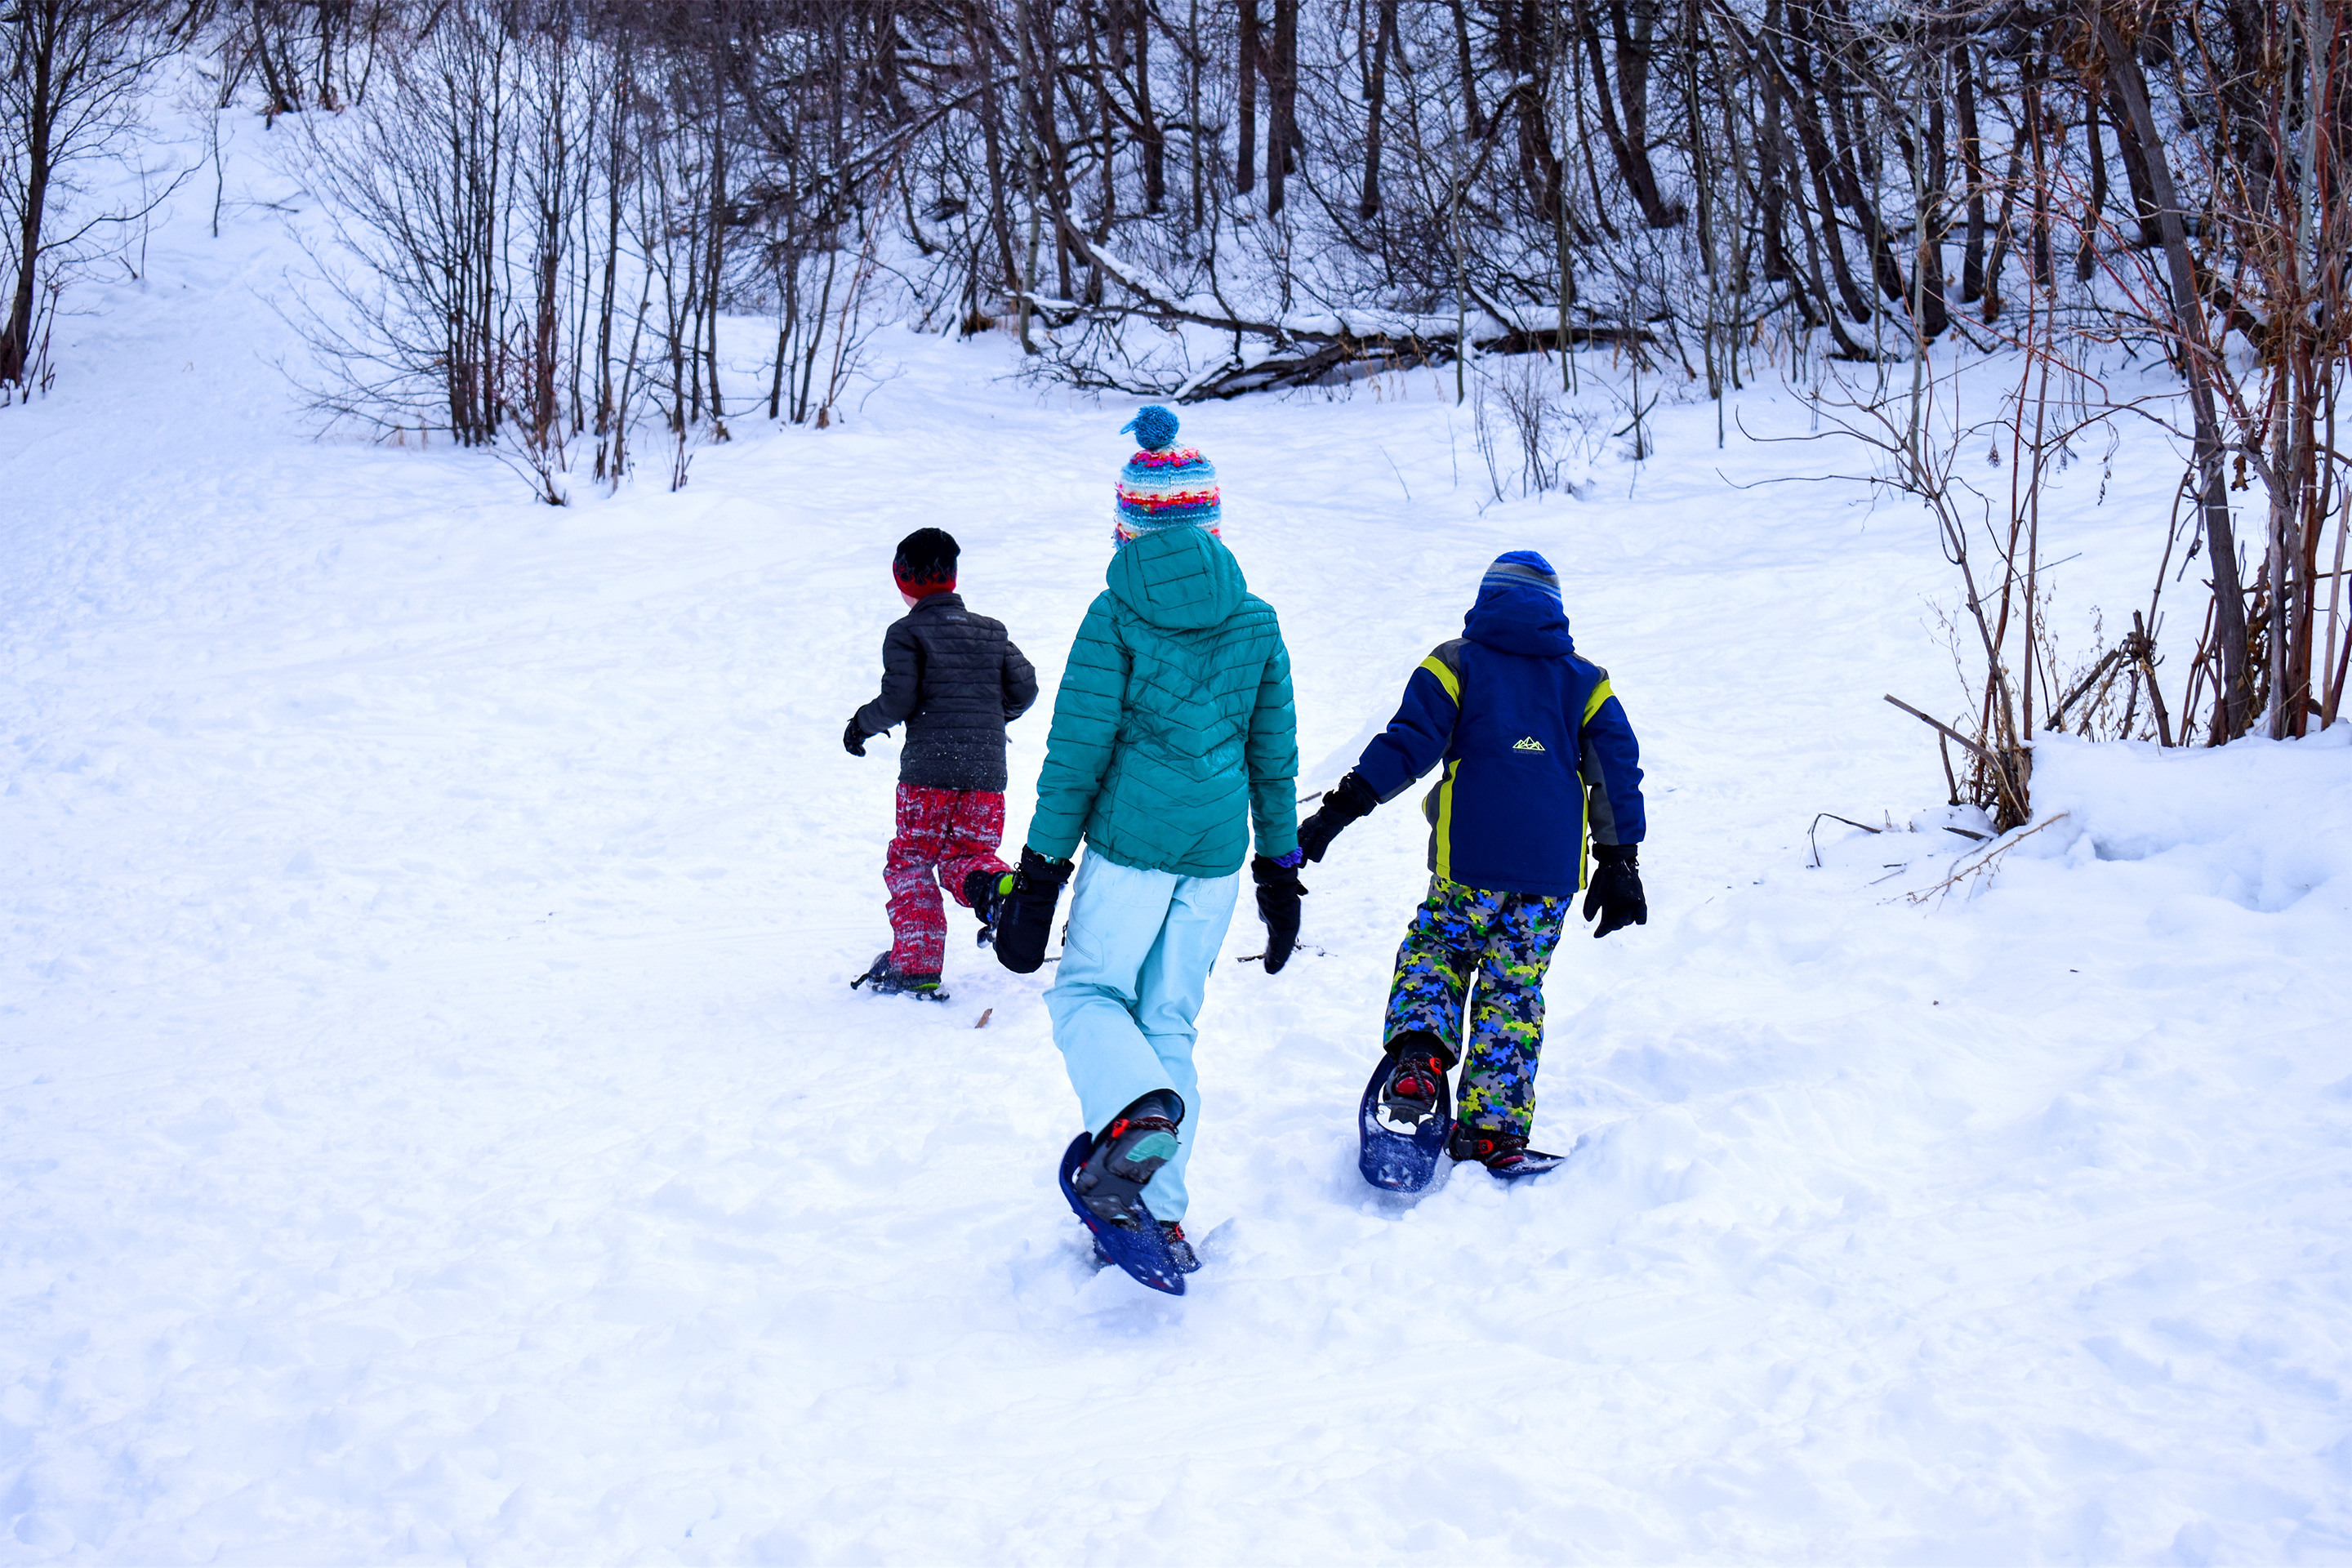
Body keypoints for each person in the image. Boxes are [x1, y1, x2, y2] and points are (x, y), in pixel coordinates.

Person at [991, 405, 1303, 1273]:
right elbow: (1272, 756)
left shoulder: (1114, 610)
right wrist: (1279, 870)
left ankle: (1131, 1128)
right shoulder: (1256, 618)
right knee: (1168, 1021)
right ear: (1211, 522)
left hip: (1132, 848)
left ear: (1126, 523)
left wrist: (1040, 874)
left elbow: (1078, 748)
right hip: (1214, 857)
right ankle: (1155, 1213)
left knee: (1088, 996)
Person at [1294, 550, 1647, 1175]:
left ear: (1486, 601)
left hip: (1471, 860)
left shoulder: (1456, 662)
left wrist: (1341, 809)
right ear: (1555, 611)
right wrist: (1620, 862)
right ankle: (1492, 1130)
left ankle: (1421, 1057)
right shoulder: (1586, 681)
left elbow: (1406, 746)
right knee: (1515, 987)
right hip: (1549, 874)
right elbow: (1614, 771)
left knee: (1440, 948)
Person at [845, 527, 1038, 1000]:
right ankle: (997, 891)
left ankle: (916, 966)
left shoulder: (907, 632)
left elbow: (898, 700)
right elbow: (1025, 688)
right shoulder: (991, 632)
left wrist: (859, 726)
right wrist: (989, 720)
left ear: (902, 580)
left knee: (911, 861)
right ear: (953, 578)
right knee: (968, 856)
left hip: (928, 775)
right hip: (986, 776)